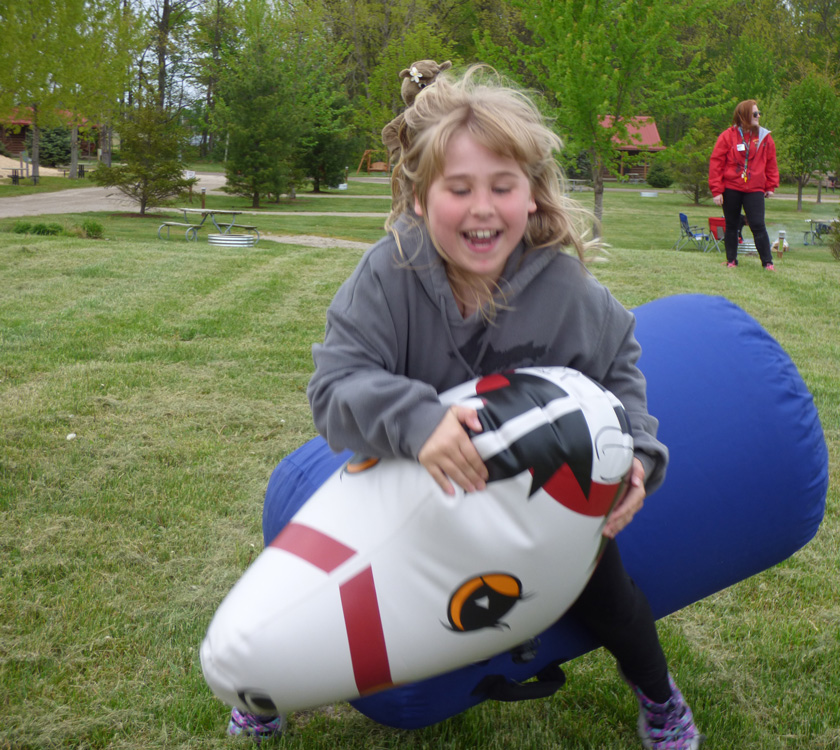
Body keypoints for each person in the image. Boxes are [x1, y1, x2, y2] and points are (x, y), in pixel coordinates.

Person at [225, 67, 702, 749]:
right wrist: (418, 423)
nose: (482, 208)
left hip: (534, 497)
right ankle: (265, 688)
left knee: (611, 598)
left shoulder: (562, 291)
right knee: (319, 594)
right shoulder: (389, 276)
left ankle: (659, 698)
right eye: (459, 189)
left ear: (532, 196)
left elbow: (618, 365)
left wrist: (639, 457)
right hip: (408, 491)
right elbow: (334, 387)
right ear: (420, 199)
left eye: (503, 187)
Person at [709, 99, 779, 270]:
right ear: (744, 115)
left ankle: (767, 262)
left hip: (754, 188)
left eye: (758, 113)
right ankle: (731, 260)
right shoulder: (727, 136)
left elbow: (771, 163)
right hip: (731, 188)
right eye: (755, 114)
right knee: (732, 225)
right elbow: (716, 163)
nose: (758, 116)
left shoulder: (765, 137)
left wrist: (770, 186)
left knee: (758, 225)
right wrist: (717, 191)